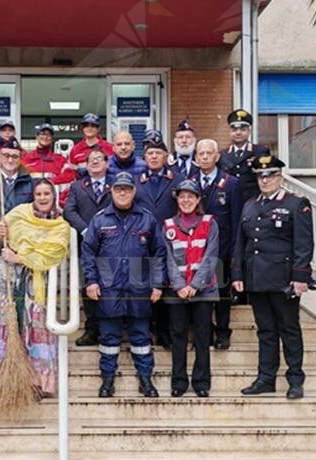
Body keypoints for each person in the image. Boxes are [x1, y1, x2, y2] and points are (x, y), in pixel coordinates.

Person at [0, 179, 70, 406]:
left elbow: (54, 254)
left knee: (33, 325)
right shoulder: (19, 213)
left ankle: (37, 381)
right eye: (38, 193)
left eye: (46, 193)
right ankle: (0, 377)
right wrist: (0, 232)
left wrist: (20, 257)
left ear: (53, 196)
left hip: (35, 281)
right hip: (6, 277)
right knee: (6, 323)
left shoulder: (60, 226)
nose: (42, 198)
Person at [232, 155, 314, 400]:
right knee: (265, 331)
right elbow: (241, 242)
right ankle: (266, 378)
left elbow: (304, 244)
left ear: (280, 177)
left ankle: (295, 380)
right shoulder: (250, 205)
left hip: (283, 279)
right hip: (257, 278)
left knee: (289, 329)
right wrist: (238, 273)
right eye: (260, 175)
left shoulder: (296, 204)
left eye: (270, 175)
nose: (265, 180)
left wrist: (300, 277)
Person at [82, 171, 166, 398]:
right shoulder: (100, 220)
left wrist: (158, 284)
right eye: (118, 189)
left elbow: (158, 253)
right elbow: (88, 253)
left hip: (140, 288)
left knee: (141, 336)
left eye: (126, 189)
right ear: (111, 191)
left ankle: (146, 380)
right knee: (109, 338)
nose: (122, 193)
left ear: (133, 192)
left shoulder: (147, 218)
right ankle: (107, 380)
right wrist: (91, 281)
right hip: (109, 288)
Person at [163, 180, 219, 398]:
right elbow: (166, 258)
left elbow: (211, 255)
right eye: (182, 196)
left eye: (191, 196)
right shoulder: (168, 224)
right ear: (177, 200)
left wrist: (195, 284)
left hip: (203, 291)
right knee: (178, 337)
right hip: (177, 291)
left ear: (198, 200)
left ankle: (201, 382)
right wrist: (179, 285)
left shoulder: (209, 223)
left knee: (202, 338)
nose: (186, 200)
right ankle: (179, 382)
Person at [133, 129, 185, 349]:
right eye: (150, 153)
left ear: (166, 156)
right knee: (145, 287)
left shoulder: (178, 179)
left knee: (167, 288)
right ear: (144, 157)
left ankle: (165, 333)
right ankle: (147, 330)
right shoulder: (136, 181)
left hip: (171, 243)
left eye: (158, 153)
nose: (153, 157)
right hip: (143, 243)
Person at [195, 139, 243, 350]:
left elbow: (237, 220)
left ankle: (223, 332)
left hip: (222, 249)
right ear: (196, 158)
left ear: (217, 157)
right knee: (200, 295)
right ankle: (205, 332)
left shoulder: (231, 183)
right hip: (195, 250)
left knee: (222, 294)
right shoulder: (188, 181)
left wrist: (234, 252)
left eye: (209, 153)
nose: (204, 157)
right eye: (201, 154)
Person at [63, 147, 112, 347]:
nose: (94, 162)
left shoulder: (117, 184)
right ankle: (92, 330)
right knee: (89, 286)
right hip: (86, 245)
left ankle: (110, 328)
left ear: (107, 163)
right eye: (90, 159)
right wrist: (86, 230)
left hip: (112, 243)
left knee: (110, 286)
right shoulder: (77, 186)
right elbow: (69, 210)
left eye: (99, 158)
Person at [218, 109, 271, 201]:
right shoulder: (223, 155)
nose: (238, 133)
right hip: (230, 201)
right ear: (230, 132)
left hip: (253, 201)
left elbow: (266, 176)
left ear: (249, 132)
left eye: (243, 129)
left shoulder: (260, 152)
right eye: (234, 130)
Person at [23, 123, 76, 199]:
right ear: (37, 137)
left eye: (48, 135)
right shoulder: (27, 159)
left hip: (53, 203)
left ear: (52, 139)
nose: (45, 137)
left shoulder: (60, 160)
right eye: (42, 134)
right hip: (30, 203)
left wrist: (50, 182)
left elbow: (70, 175)